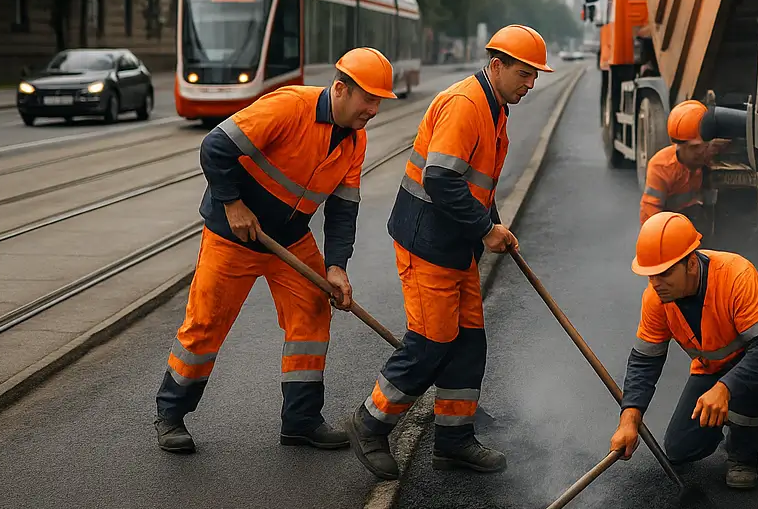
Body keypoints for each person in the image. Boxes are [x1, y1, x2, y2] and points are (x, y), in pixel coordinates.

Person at [154, 48, 396, 454]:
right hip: (235, 237)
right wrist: (232, 204)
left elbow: (342, 209)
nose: (373, 109)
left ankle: (300, 421)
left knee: (313, 316)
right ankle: (170, 415)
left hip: (290, 240)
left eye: (378, 102)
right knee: (206, 325)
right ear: (340, 89)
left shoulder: (355, 141)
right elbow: (215, 147)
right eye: (368, 99)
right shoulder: (289, 107)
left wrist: (336, 267)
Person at [348, 25, 553, 480]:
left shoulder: (495, 106)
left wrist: (492, 225)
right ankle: (370, 423)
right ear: (496, 66)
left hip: (455, 244)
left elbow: (476, 181)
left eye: (535, 75)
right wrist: (485, 228)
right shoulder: (466, 105)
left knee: (468, 341)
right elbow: (440, 179)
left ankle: (454, 440)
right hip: (427, 243)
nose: (531, 83)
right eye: (524, 73)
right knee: (432, 342)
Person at [609, 212, 758, 490]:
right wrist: (628, 421)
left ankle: (743, 454)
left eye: (664, 273)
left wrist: (725, 389)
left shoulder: (737, 275)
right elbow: (644, 363)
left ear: (690, 263)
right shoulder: (656, 298)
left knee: (747, 390)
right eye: (651, 275)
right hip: (715, 368)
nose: (656, 283)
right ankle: (726, 413)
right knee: (678, 449)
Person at [640, 100, 729, 227]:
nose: (701, 152)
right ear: (679, 146)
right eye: (694, 147)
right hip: (669, 225)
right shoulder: (660, 167)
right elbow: (650, 213)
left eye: (705, 146)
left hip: (696, 218)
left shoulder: (708, 154)